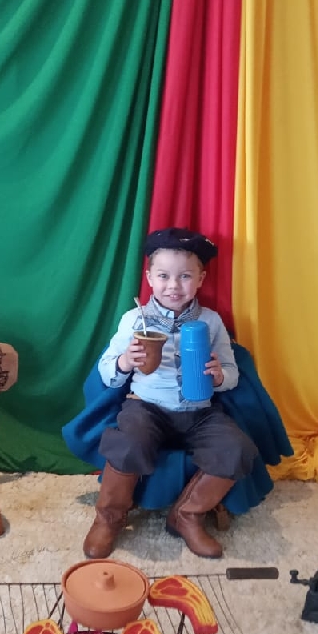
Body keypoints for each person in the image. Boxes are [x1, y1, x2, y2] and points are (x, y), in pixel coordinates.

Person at [83, 227, 259, 560]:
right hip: (147, 407)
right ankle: (109, 518)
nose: (174, 286)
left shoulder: (212, 322)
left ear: (201, 279)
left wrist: (220, 375)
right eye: (163, 276)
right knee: (127, 442)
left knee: (236, 448)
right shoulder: (134, 320)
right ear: (149, 278)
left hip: (200, 411)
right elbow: (107, 372)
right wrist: (125, 361)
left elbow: (232, 373)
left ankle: (187, 515)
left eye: (185, 276)